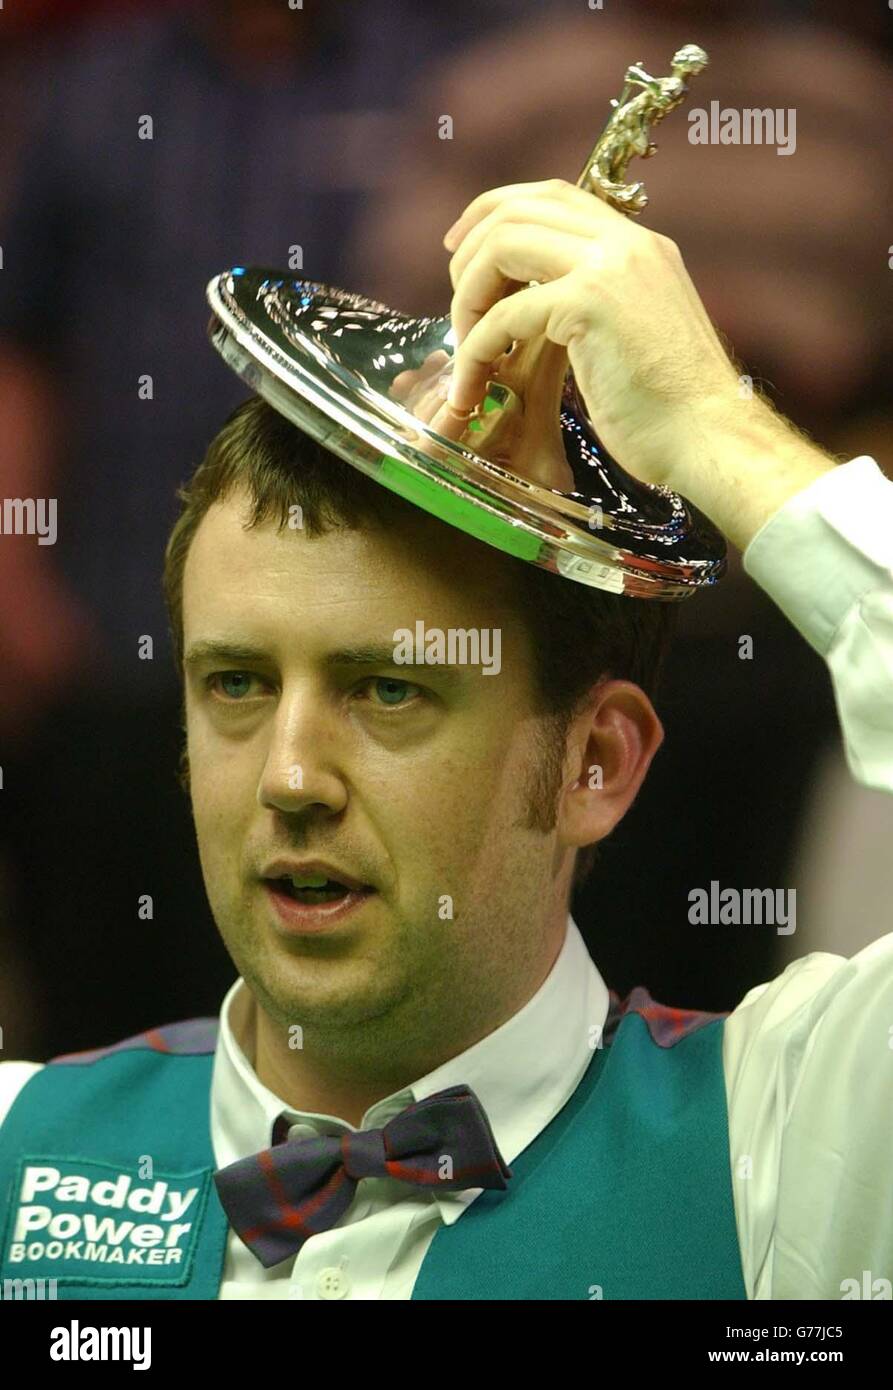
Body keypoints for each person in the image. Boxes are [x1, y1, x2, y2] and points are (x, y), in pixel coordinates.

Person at [0, 179, 890, 1300]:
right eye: (234, 681)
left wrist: (712, 428)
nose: (288, 777)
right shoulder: (15, 1142)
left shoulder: (791, 1142)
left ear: (595, 762)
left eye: (386, 691)